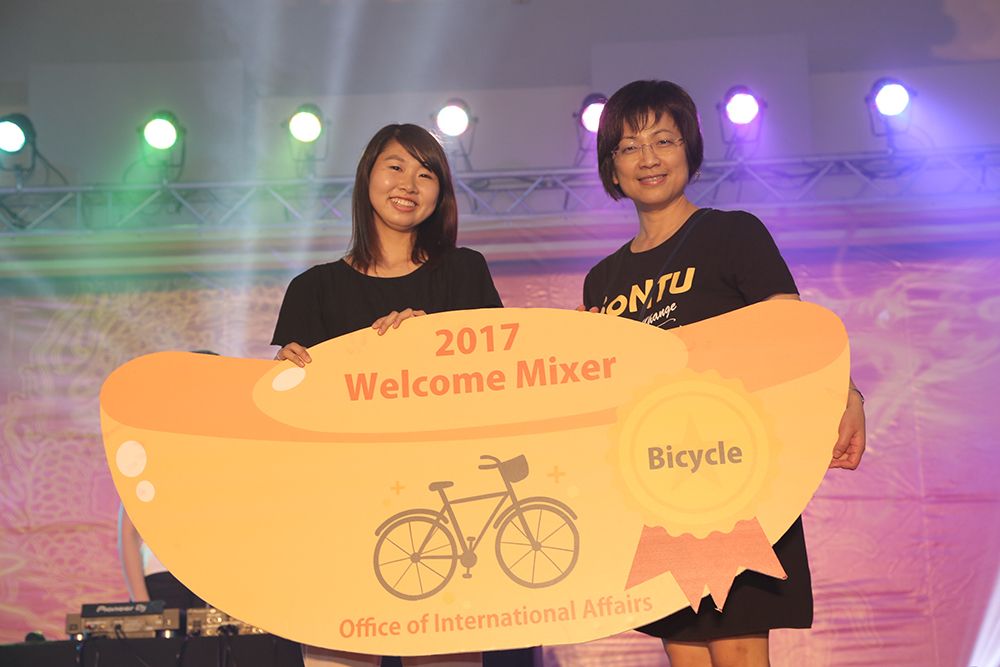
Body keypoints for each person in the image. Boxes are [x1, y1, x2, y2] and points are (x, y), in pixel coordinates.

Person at [581, 80, 867, 667]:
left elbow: (794, 333)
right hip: (654, 490)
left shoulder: (732, 233)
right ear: (612, 168)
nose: (649, 158)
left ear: (689, 149)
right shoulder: (602, 280)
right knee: (685, 653)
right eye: (630, 147)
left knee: (737, 648)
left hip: (735, 477)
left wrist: (848, 392)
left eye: (664, 140)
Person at [271, 123, 503, 667]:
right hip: (341, 513)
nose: (409, 184)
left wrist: (436, 343)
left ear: (441, 193)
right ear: (367, 175)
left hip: (444, 508)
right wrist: (284, 381)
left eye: (426, 174)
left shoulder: (465, 272)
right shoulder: (312, 289)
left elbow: (498, 384)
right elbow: (294, 423)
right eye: (396, 166)